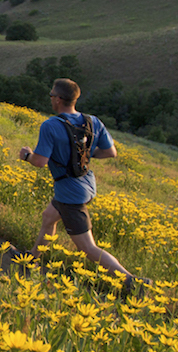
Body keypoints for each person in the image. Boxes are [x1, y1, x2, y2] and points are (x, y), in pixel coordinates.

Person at [16, 78, 143, 287]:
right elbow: (111, 152)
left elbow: (40, 161)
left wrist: (26, 155)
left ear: (57, 99)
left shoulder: (51, 125)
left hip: (70, 192)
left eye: (51, 96)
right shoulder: (93, 121)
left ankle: (131, 281)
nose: (51, 99)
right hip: (85, 184)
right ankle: (32, 259)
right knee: (49, 217)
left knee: (88, 247)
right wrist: (86, 155)